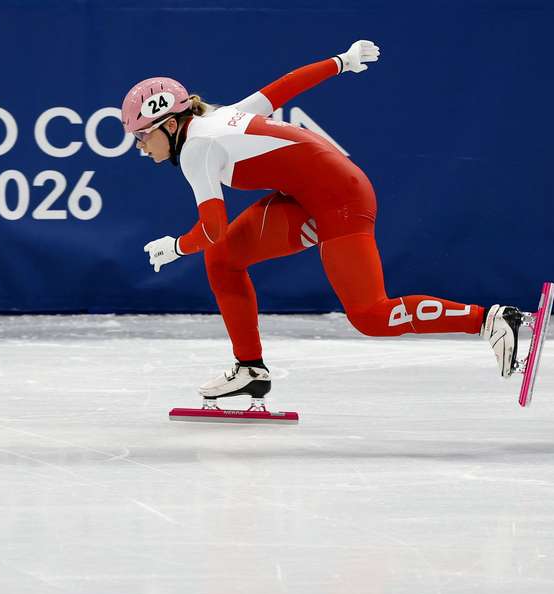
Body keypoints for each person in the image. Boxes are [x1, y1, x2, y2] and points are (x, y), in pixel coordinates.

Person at [122, 40, 525, 401]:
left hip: (339, 200)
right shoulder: (219, 118)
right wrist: (340, 62)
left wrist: (176, 247)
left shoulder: (197, 148)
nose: (140, 147)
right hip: (311, 197)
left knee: (370, 315)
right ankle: (250, 369)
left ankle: (489, 320)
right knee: (223, 259)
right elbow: (281, 89)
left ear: (170, 125)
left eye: (142, 136)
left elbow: (211, 229)